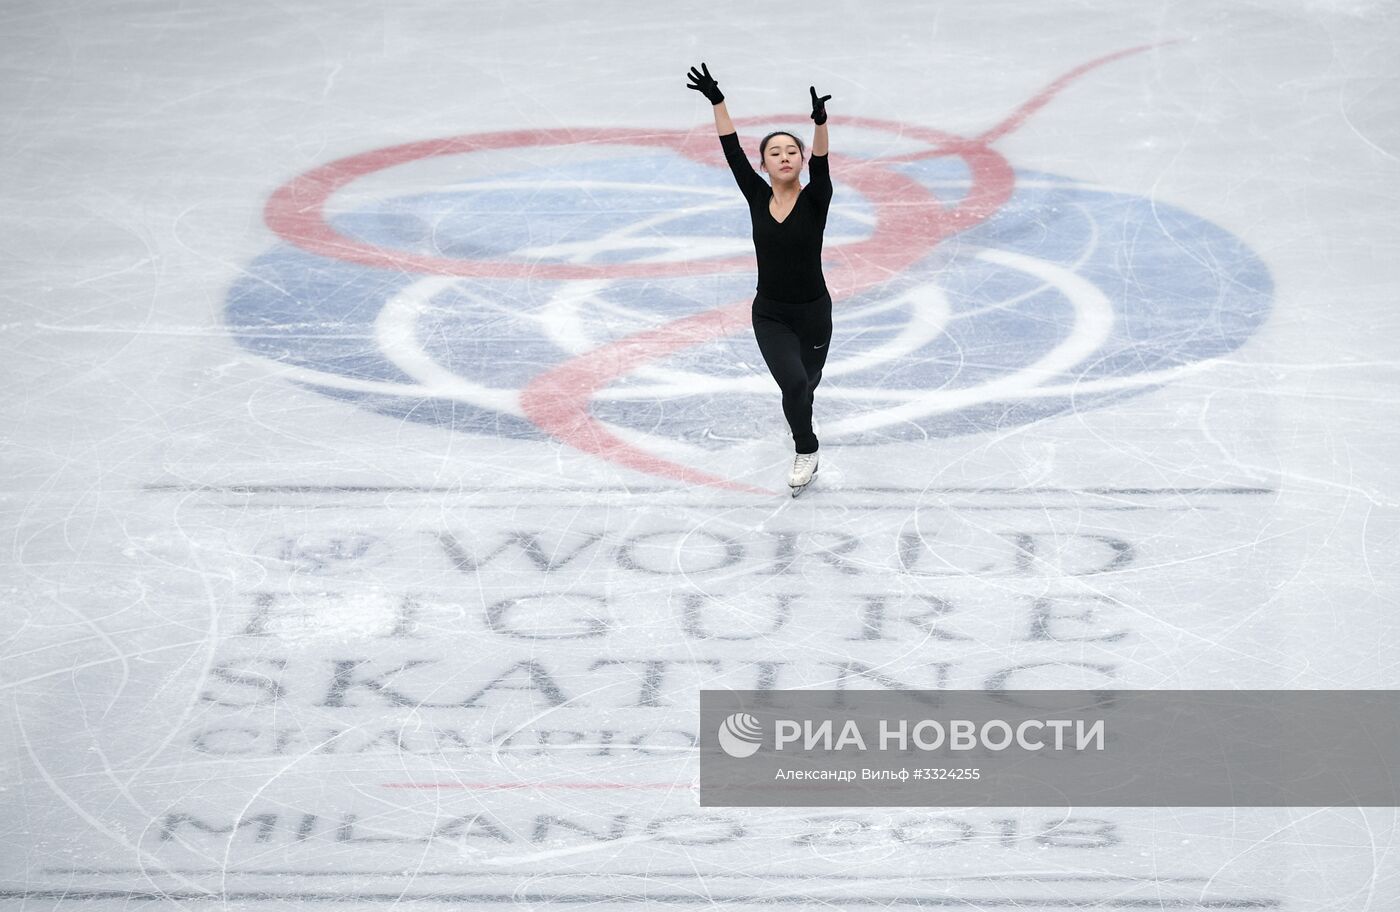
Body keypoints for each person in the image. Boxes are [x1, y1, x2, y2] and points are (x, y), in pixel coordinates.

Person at [686, 63, 833, 495]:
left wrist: (820, 125)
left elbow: (824, 165)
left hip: (815, 314)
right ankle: (806, 449)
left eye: (793, 151)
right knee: (793, 384)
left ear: (801, 160)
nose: (785, 157)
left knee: (807, 386)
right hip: (770, 313)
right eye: (776, 152)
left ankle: (802, 413)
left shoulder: (816, 199)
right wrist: (718, 101)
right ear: (764, 164)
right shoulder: (756, 195)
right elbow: (731, 150)